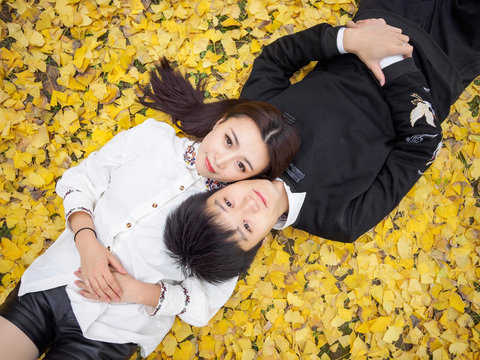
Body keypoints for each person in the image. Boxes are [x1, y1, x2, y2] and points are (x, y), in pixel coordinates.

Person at [0, 60, 301, 359]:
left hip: (115, 332)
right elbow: (81, 180)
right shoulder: (152, 138)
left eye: (241, 165)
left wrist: (137, 291)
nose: (221, 162)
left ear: (253, 176)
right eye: (227, 141)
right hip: (56, 280)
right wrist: (87, 242)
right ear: (220, 123)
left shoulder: (230, 216)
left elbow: (203, 302)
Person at [164, 0, 479, 281]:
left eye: (227, 203)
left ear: (216, 191)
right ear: (258, 243)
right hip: (443, 60)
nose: (248, 205)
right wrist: (393, 64)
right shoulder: (343, 221)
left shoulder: (254, 138)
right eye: (246, 227)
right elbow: (419, 148)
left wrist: (349, 40)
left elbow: (274, 61)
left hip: (385, 15)